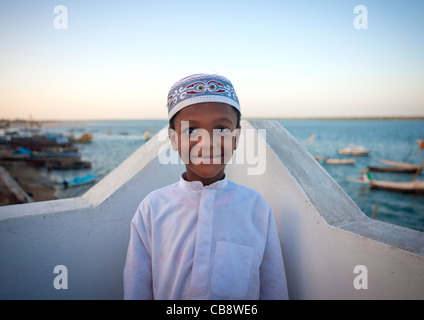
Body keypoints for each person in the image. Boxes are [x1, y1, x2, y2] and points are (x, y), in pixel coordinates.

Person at [123, 73, 288, 300]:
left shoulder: (256, 208)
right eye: (191, 131)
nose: (207, 142)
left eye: (221, 129)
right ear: (173, 139)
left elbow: (274, 287)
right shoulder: (152, 209)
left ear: (236, 138)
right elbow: (136, 287)